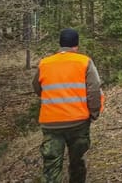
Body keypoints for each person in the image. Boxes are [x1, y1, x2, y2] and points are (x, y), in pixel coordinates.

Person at [33, 28, 104, 183]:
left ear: (60, 44)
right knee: (77, 163)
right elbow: (94, 89)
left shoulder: (44, 63)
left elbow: (37, 88)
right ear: (76, 45)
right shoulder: (84, 62)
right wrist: (94, 113)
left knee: (51, 167)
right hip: (78, 122)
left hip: (51, 124)